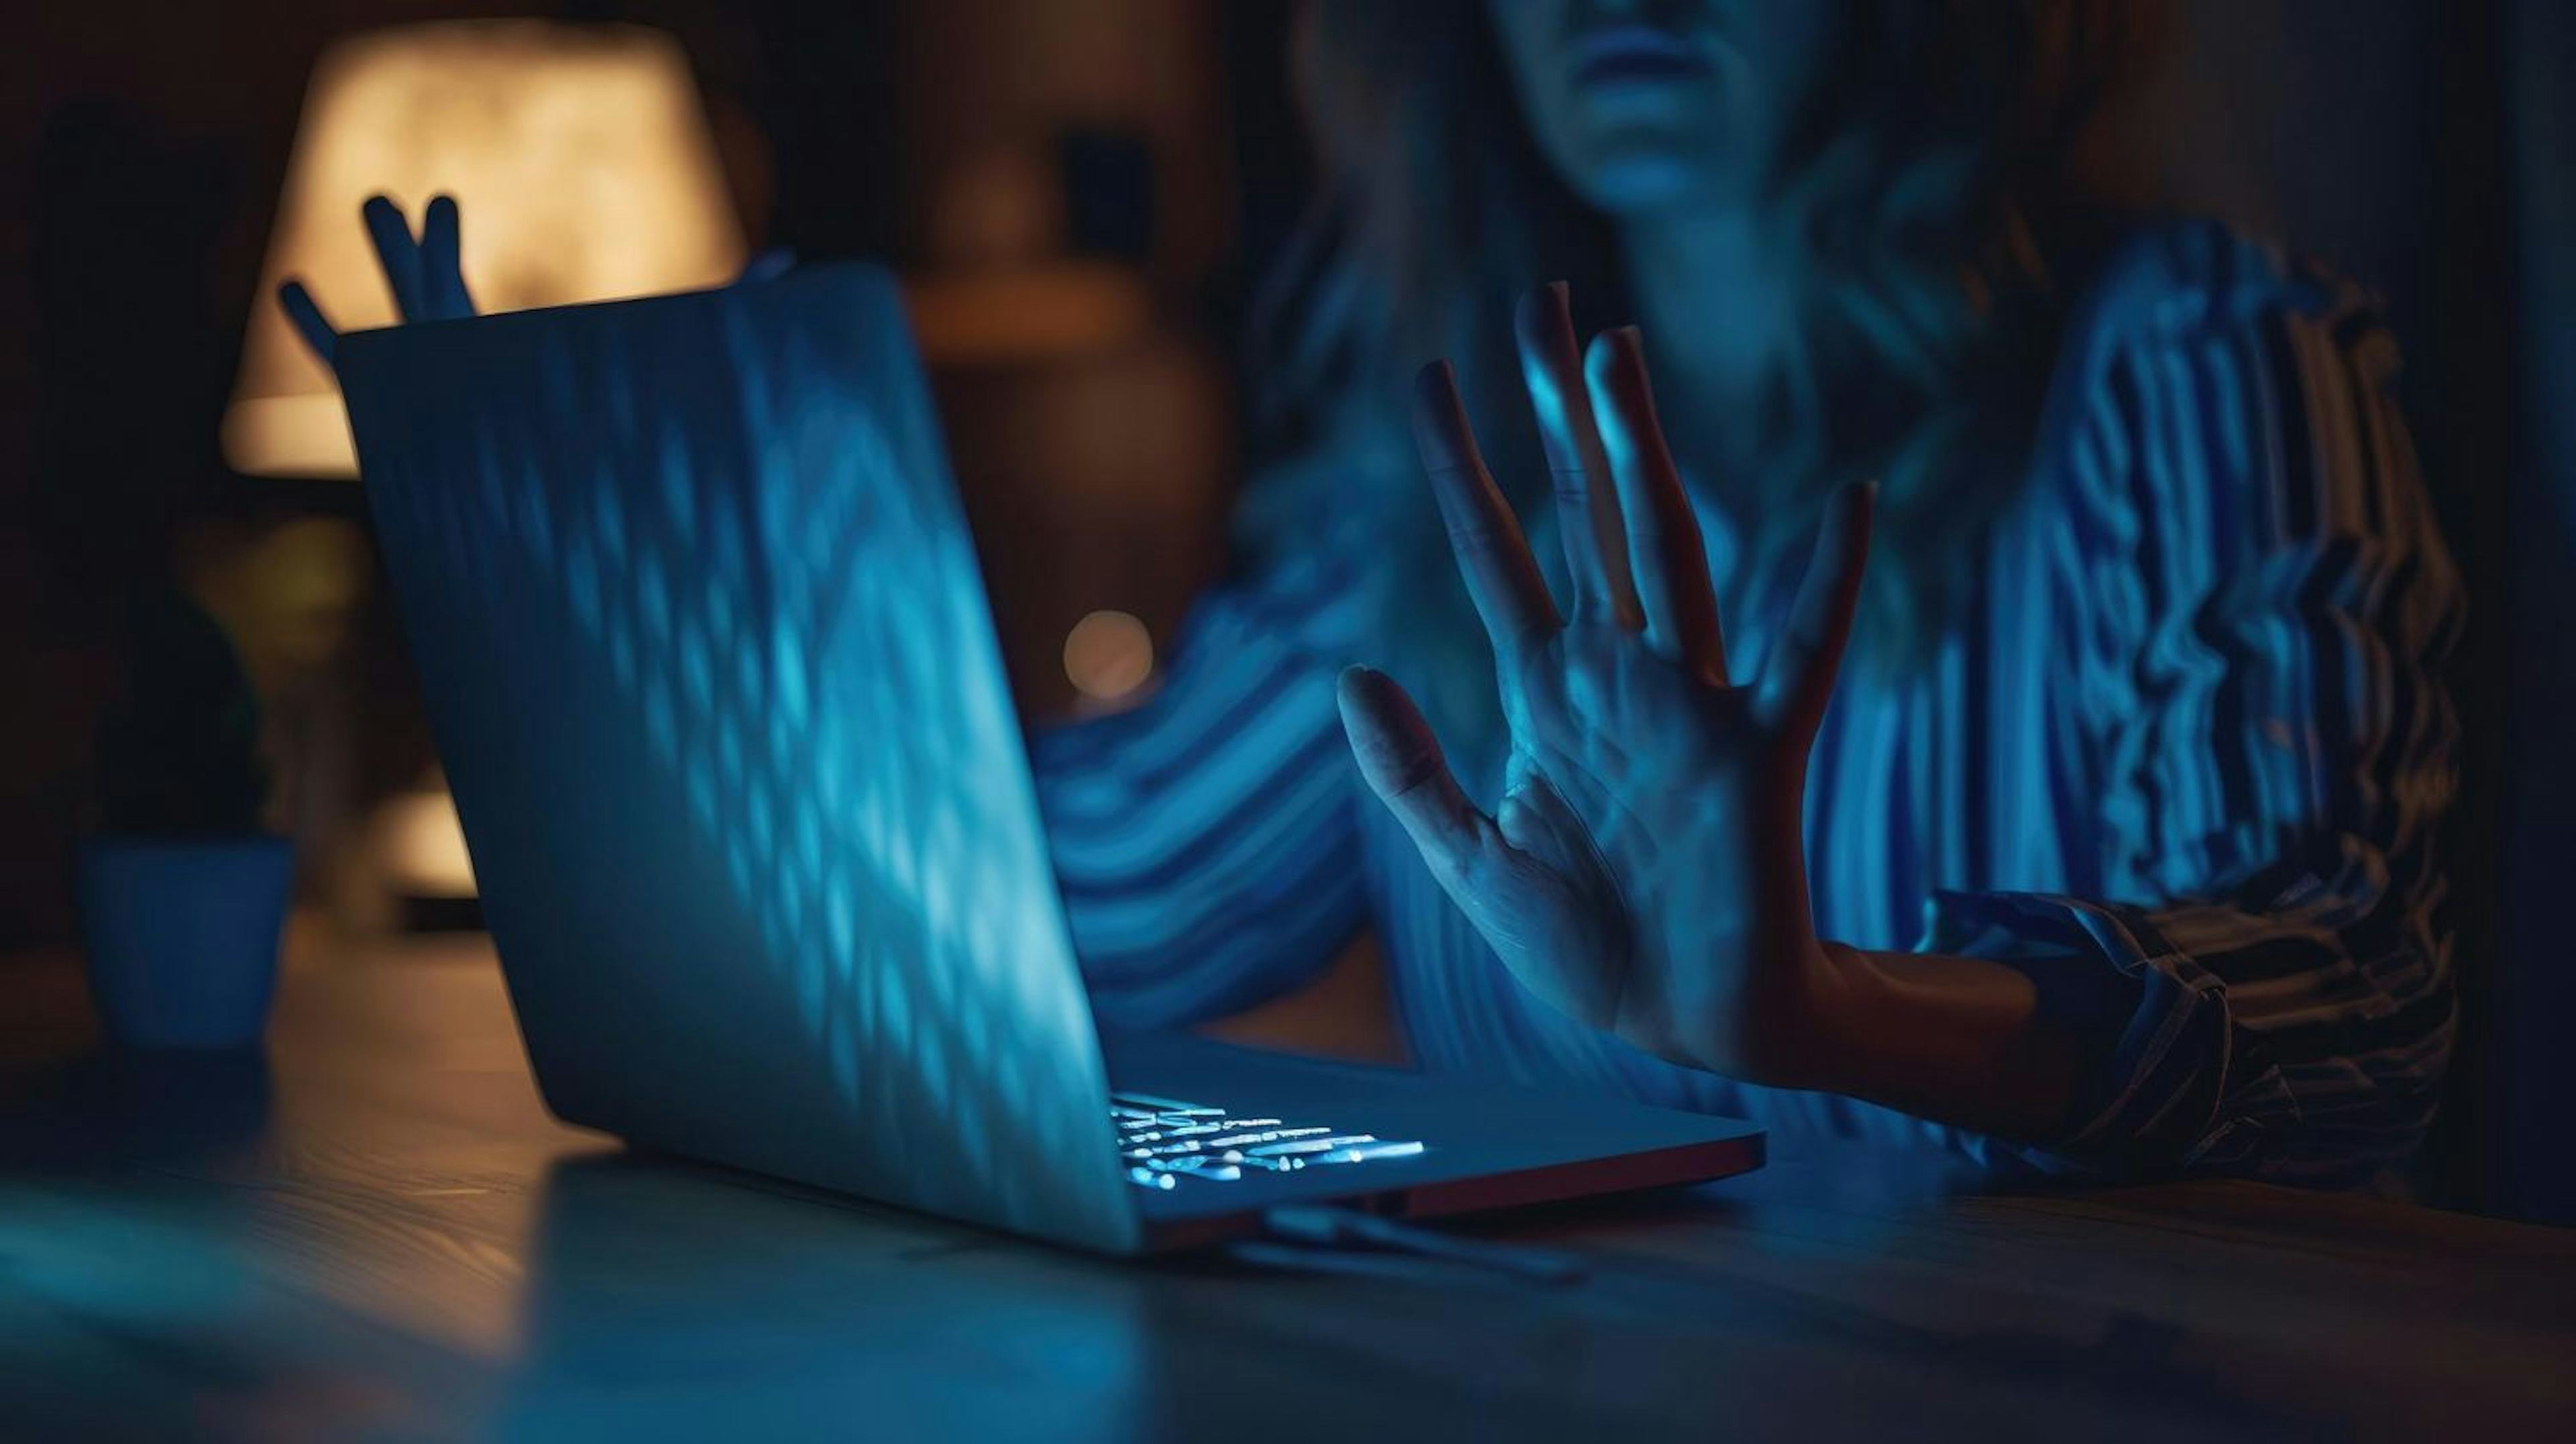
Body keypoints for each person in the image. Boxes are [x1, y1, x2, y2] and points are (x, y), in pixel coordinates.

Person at [297, 0, 2461, 1187]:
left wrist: (1828, 1008)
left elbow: (2348, 1005)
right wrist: (644, 585)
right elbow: (1081, 905)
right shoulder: (1423, 491)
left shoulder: (2190, 358)